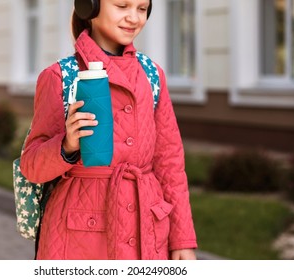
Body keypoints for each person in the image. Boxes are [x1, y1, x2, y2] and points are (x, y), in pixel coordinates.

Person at [20, 0, 197, 260]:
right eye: (122, 6)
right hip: (80, 236)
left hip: (146, 227)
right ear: (88, 7)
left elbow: (170, 163)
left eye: (141, 8)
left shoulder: (152, 75)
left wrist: (182, 239)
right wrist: (67, 146)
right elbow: (31, 166)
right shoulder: (62, 76)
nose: (134, 18)